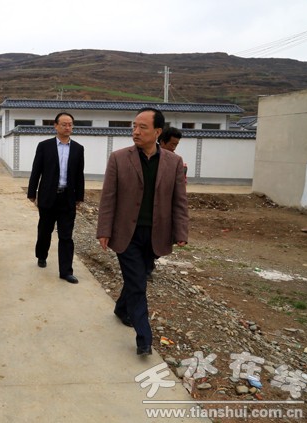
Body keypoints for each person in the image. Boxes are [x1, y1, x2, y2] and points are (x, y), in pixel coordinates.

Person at [96, 107, 188, 356]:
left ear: (157, 132)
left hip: (157, 234)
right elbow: (108, 198)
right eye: (134, 126)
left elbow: (179, 200)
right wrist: (104, 230)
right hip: (126, 233)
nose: (136, 131)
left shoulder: (174, 162)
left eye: (142, 127)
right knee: (138, 284)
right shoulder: (119, 158)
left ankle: (121, 308)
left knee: (137, 276)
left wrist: (181, 232)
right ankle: (144, 338)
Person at [27, 112, 85, 284]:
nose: (68, 127)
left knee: (66, 236)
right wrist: (32, 192)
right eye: (64, 124)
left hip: (68, 198)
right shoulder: (44, 146)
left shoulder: (78, 149)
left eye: (70, 124)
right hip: (48, 196)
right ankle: (41, 255)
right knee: (45, 230)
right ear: (55, 126)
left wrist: (79, 196)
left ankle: (66, 271)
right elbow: (36, 170)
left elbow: (79, 174)